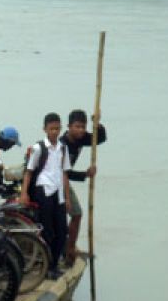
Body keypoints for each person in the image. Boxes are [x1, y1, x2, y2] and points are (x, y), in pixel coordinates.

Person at [19, 113, 71, 278]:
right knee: (47, 230)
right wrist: (24, 193)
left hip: (58, 192)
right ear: (45, 129)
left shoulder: (63, 148)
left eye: (57, 128)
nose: (55, 132)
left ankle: (55, 264)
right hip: (43, 190)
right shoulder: (38, 148)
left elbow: (64, 173)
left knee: (62, 231)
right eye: (52, 129)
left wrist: (67, 198)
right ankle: (48, 267)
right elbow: (29, 172)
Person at [62, 109, 107, 264]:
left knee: (74, 215)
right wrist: (84, 175)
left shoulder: (81, 139)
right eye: (77, 127)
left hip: (64, 178)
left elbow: (99, 139)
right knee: (76, 213)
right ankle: (69, 248)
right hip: (57, 181)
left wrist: (97, 124)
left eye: (83, 127)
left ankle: (69, 246)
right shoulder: (63, 145)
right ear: (69, 127)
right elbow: (64, 172)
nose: (81, 130)